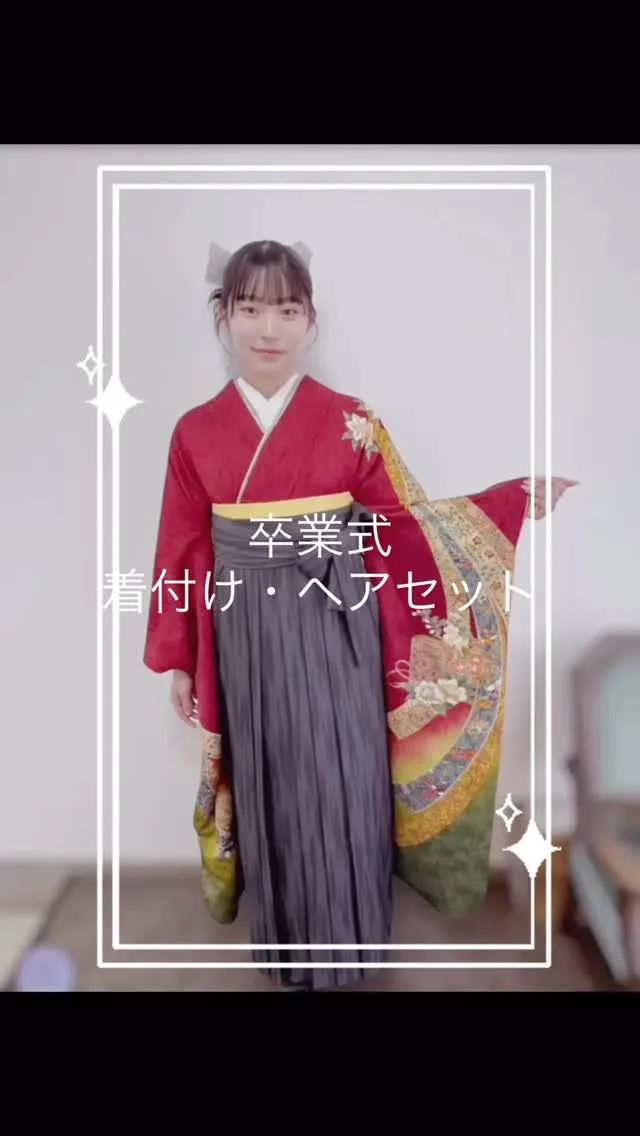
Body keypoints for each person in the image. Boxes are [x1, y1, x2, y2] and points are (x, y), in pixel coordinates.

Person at [143, 238, 576, 991]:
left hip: (338, 626)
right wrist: (179, 657)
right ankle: (287, 948)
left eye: (287, 310)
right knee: (273, 782)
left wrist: (507, 502)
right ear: (223, 316)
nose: (269, 328)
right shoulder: (195, 432)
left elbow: (406, 525)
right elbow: (181, 547)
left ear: (311, 321)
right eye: (250, 309)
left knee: (345, 775)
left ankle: (354, 945)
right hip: (247, 632)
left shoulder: (352, 421)